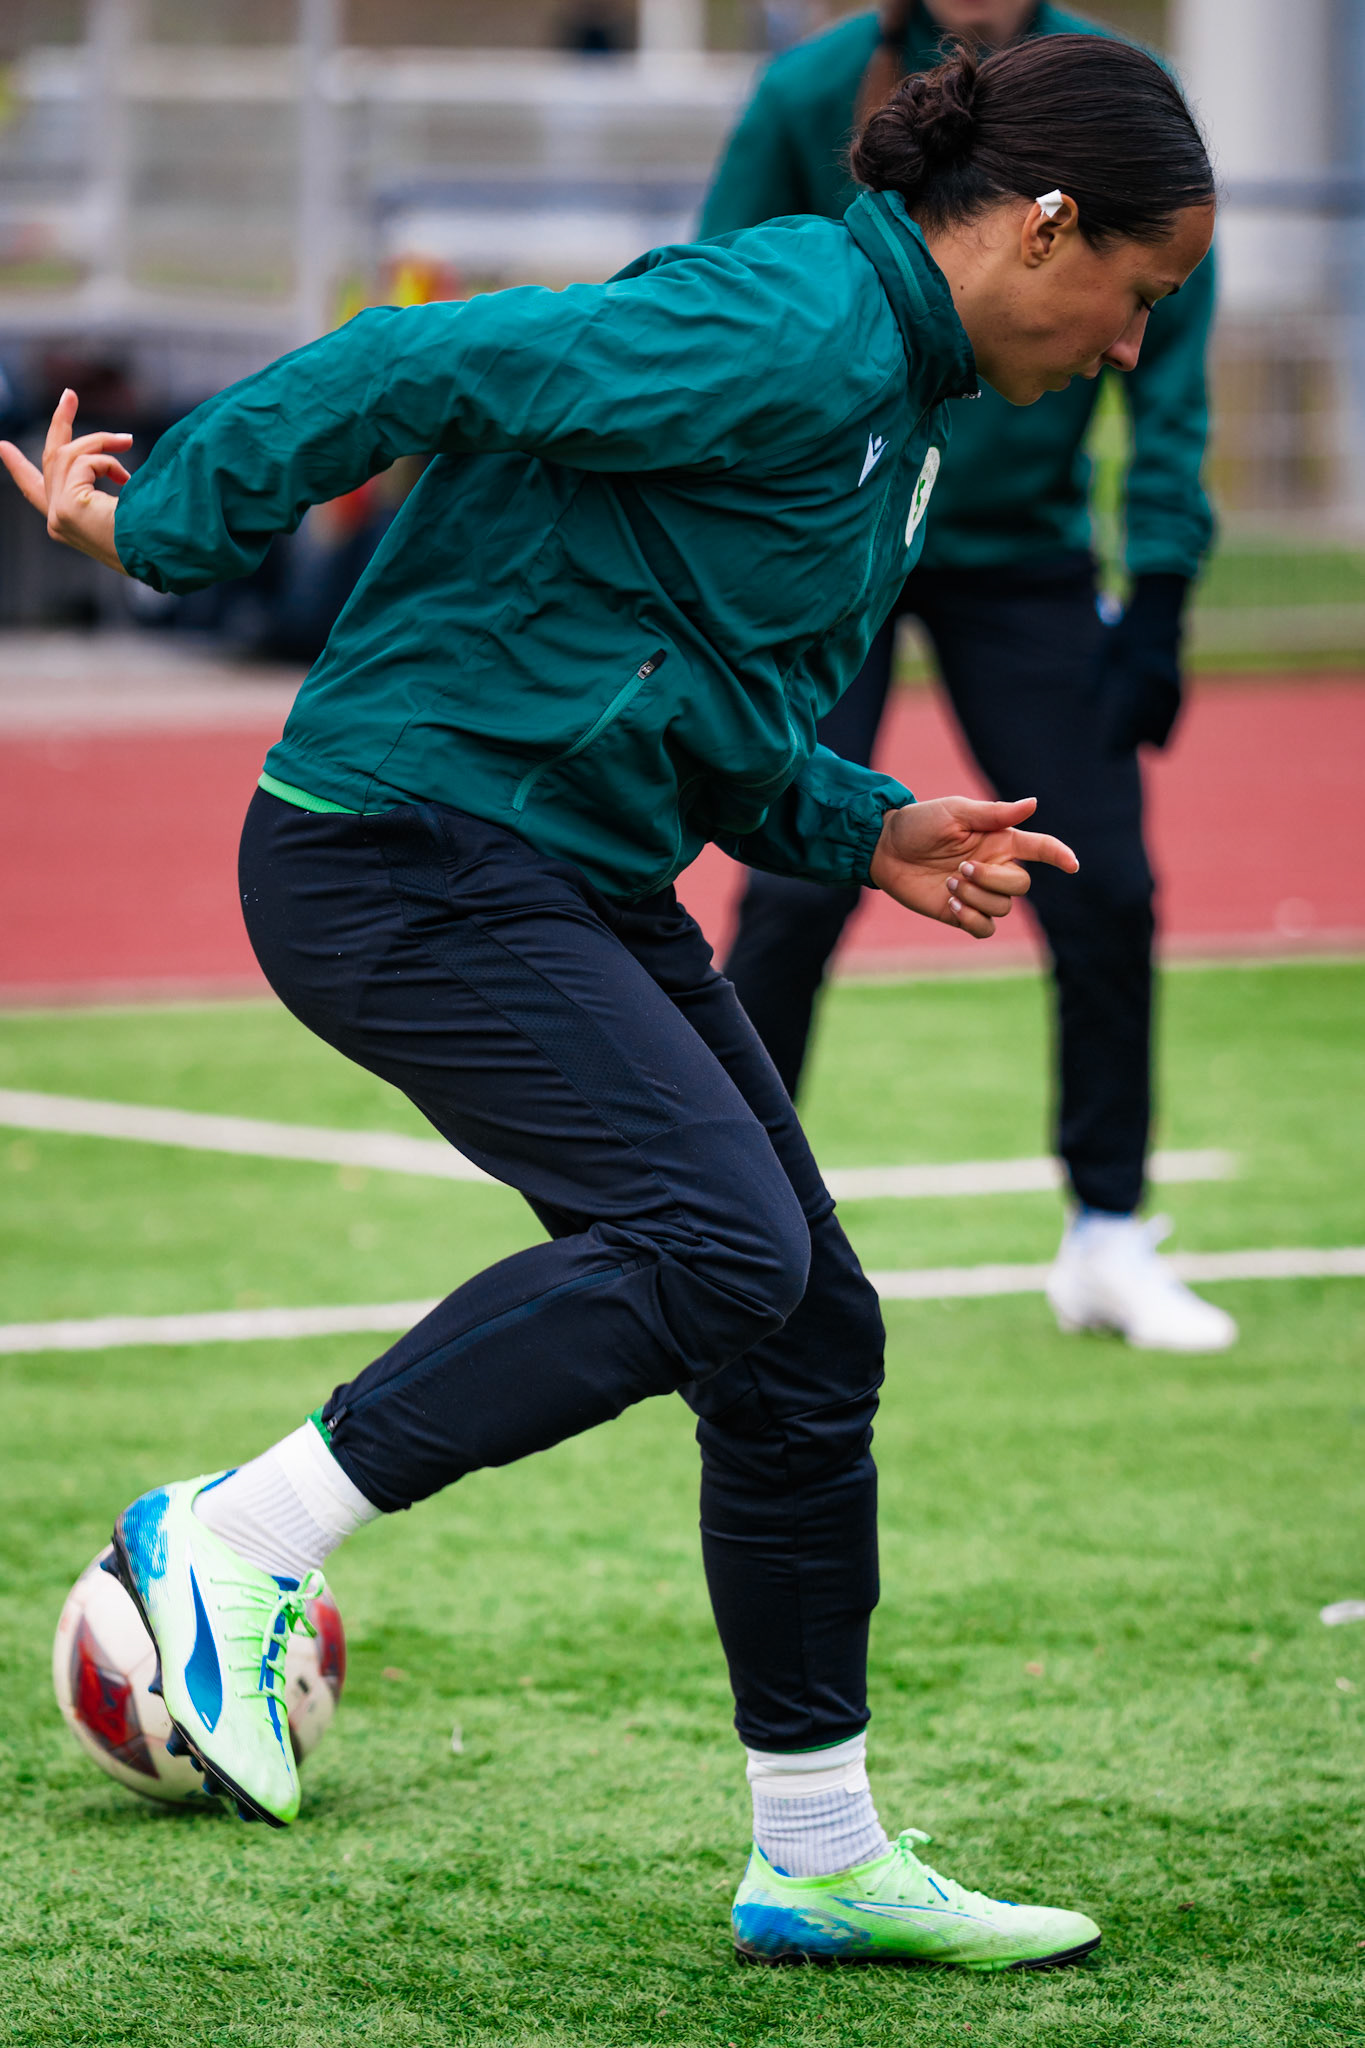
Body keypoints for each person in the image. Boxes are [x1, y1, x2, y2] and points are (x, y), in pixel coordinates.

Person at [3, 35, 1214, 1970]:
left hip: (554, 859)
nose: (1135, 348)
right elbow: (421, 366)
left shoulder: (897, 411)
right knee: (716, 1243)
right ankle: (231, 1542)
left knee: (807, 1331)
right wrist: (170, 525)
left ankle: (815, 1851)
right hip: (398, 842)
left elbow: (700, 695)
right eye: (1137, 298)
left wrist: (865, 819)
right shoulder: (796, 316)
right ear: (1047, 222)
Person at [704, 0, 1235, 1355]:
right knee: (786, 890)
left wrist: (1159, 578)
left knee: (1106, 882)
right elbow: (726, 301)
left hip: (1020, 561)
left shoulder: (1126, 102)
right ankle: (722, 1226)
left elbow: (1159, 356)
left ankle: (1106, 1234)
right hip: (841, 530)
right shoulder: (805, 95)